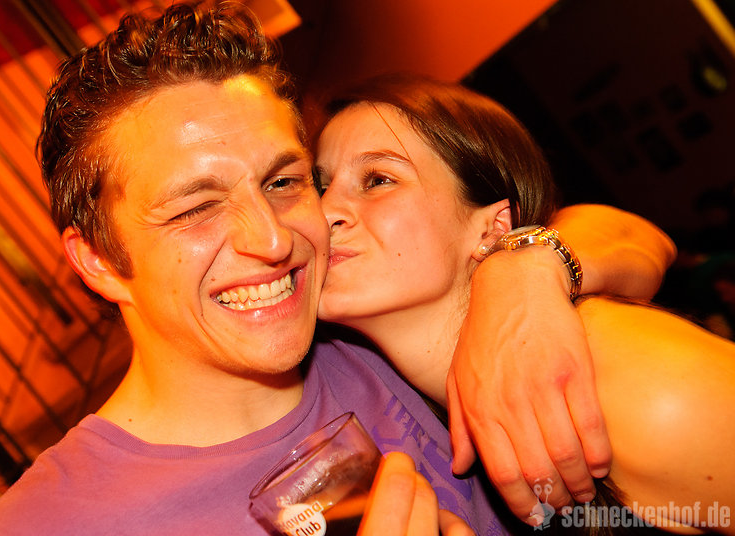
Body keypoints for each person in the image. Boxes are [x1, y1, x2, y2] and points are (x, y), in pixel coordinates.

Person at [0, 2, 672, 534]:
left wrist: (525, 270)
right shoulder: (47, 523)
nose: (272, 240)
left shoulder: (370, 324)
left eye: (282, 182)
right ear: (98, 262)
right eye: (196, 207)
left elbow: (638, 239)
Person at [314, 73, 735, 533]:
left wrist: (528, 262)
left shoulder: (635, 383)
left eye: (377, 179)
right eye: (319, 186)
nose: (324, 211)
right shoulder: (375, 382)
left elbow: (643, 236)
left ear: (494, 226)